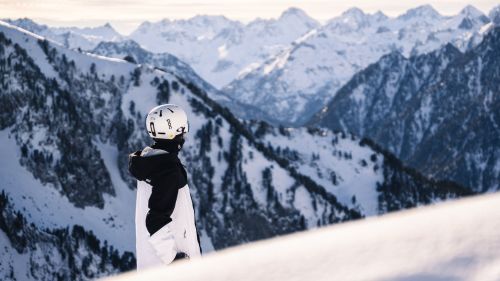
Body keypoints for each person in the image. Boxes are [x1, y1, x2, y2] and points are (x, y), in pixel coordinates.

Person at [128, 104, 201, 270]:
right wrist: (174, 259)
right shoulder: (168, 171)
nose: (184, 135)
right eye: (182, 129)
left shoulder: (150, 162)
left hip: (152, 264)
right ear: (173, 131)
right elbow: (155, 220)